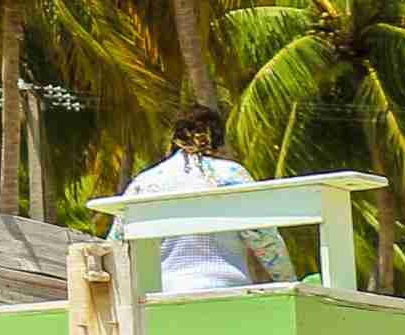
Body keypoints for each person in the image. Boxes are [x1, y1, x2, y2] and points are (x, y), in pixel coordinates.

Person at [113, 104, 296, 294]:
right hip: (229, 289)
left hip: (163, 293)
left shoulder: (144, 183)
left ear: (175, 139)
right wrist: (289, 282)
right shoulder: (233, 176)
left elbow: (117, 243)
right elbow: (265, 241)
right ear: (217, 141)